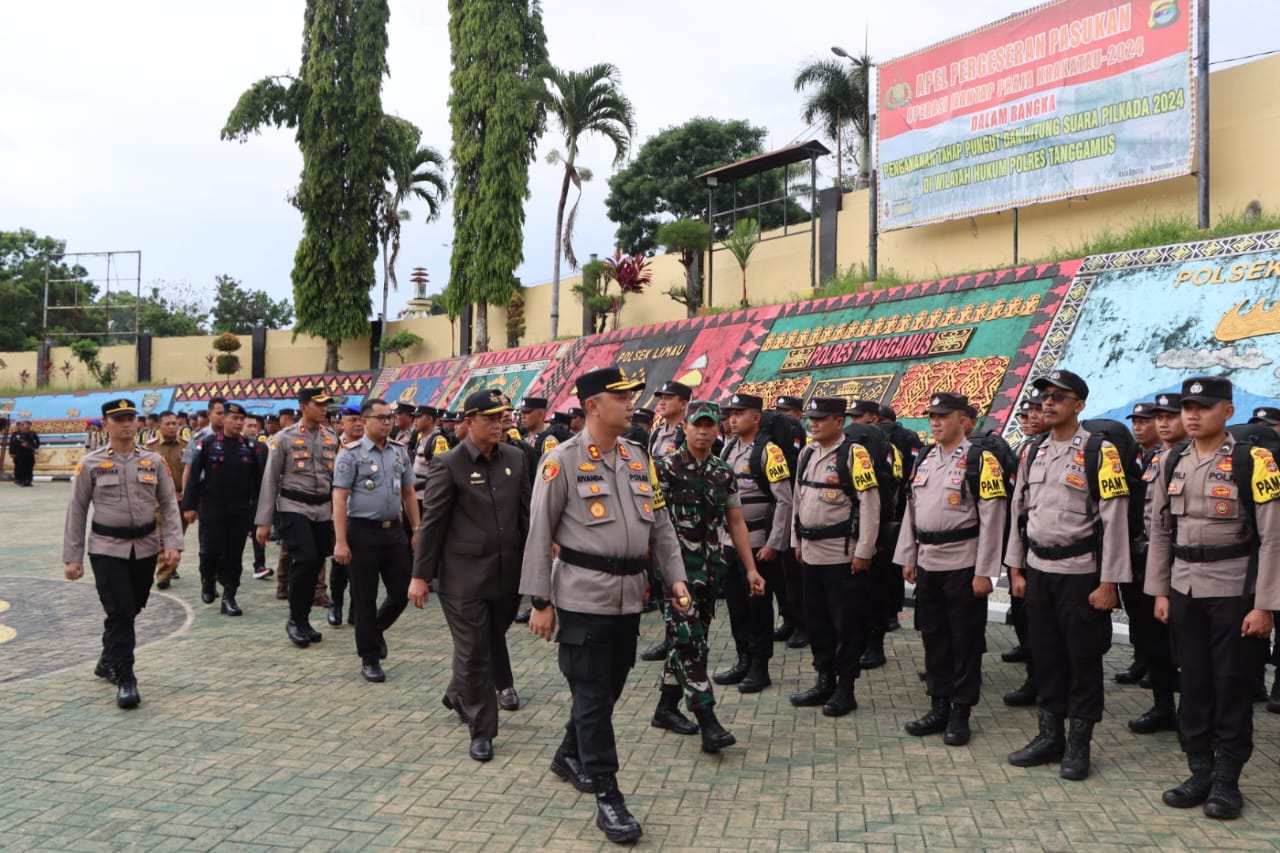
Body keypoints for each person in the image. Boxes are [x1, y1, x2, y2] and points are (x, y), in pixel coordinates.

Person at [521, 367, 691, 845]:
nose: (631, 404)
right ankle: (608, 796)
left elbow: (660, 526)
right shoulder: (562, 460)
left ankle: (567, 755)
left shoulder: (639, 457)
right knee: (593, 697)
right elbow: (538, 532)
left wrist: (675, 578)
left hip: (629, 600)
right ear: (593, 406)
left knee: (607, 691)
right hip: (580, 597)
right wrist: (540, 600)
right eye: (621, 397)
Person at [1146, 376, 1280, 820]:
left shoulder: (1254, 461)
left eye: (1203, 406)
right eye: (1188, 406)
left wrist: (1265, 605)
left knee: (1232, 686)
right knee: (1195, 685)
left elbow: (1274, 539)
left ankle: (1226, 783)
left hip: (1234, 592)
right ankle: (1198, 772)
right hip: (1184, 590)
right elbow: (1162, 531)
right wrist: (1160, 591)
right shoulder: (1172, 460)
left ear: (1227, 410)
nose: (1192, 414)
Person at [1004, 369, 1131, 781]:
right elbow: (1018, 514)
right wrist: (1015, 568)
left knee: (1082, 661)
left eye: (1059, 396)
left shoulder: (1100, 452)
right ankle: (1049, 737)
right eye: (1043, 396)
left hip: (1081, 576)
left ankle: (1078, 745)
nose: (1048, 403)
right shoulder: (1032, 450)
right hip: (1039, 573)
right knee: (1045, 656)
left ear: (1079, 404)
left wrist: (1109, 582)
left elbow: (1115, 521)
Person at [410, 389, 530, 758]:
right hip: (463, 579)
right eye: (491, 418)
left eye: (503, 416)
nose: (500, 423)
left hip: (507, 577)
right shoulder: (449, 463)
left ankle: (455, 692)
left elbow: (525, 516)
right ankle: (482, 731)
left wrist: (539, 567)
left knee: (485, 644)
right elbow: (432, 524)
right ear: (469, 421)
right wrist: (419, 576)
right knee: (477, 653)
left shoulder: (516, 458)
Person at [651, 399, 765, 752]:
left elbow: (735, 522)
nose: (703, 431)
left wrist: (750, 569)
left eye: (710, 425)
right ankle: (708, 720)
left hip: (709, 571)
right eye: (697, 424)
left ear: (719, 430)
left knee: (685, 639)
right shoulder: (665, 469)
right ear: (684, 427)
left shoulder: (723, 472)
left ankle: (666, 708)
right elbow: (653, 524)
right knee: (690, 643)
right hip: (674, 572)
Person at [894, 393, 1007, 746]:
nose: (936, 422)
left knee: (965, 641)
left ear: (963, 420)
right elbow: (912, 511)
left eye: (944, 416)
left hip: (963, 563)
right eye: (932, 416)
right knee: (934, 637)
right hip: (928, 562)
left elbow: (993, 517)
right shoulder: (926, 457)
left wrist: (985, 572)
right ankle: (938, 705)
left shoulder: (980, 459)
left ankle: (961, 712)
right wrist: (908, 557)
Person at [63, 398, 183, 708]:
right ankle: (126, 677)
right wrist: (72, 557)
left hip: (144, 546)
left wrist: (173, 543)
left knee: (132, 607)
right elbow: (76, 510)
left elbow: (169, 503)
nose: (127, 423)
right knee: (121, 612)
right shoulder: (90, 463)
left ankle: (107, 659)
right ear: (106, 424)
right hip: (106, 548)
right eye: (119, 419)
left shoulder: (153, 461)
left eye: (131, 417)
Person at [790, 396, 881, 717]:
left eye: (821, 418)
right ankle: (824, 679)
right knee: (817, 622)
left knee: (847, 625)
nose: (813, 423)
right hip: (811, 554)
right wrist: (796, 541)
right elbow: (798, 501)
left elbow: (870, 505)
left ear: (839, 422)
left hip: (842, 557)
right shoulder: (806, 453)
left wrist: (864, 550)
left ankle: (845, 688)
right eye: (811, 418)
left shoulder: (855, 455)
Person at [332, 398, 419, 682]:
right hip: (362, 532)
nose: (387, 422)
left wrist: (417, 529)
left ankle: (376, 629)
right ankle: (369, 658)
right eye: (381, 417)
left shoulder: (399, 452)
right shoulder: (350, 454)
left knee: (402, 590)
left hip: (393, 531)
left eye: (389, 417)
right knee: (365, 597)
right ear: (365, 421)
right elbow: (340, 498)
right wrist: (341, 541)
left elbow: (408, 492)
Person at [714, 392, 793, 694]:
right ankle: (742, 660)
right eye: (731, 413)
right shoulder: (730, 449)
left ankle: (760, 667)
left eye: (740, 413)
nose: (732, 419)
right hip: (730, 543)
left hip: (759, 542)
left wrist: (775, 543)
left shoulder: (769, 451)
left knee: (758, 607)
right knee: (736, 606)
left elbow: (784, 501)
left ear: (756, 417)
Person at [255, 386, 339, 648]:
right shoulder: (284, 438)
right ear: (303, 406)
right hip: (294, 506)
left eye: (326, 404)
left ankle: (304, 620)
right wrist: (264, 521)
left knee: (315, 563)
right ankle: (295, 620)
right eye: (319, 403)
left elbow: (336, 480)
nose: (324, 408)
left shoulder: (331, 437)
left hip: (323, 510)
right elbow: (270, 479)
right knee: (305, 559)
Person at [181, 402, 261, 615]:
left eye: (241, 419)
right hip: (212, 507)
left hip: (240, 509)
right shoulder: (206, 444)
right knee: (210, 551)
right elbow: (194, 478)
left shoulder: (252, 448)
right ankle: (207, 580)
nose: (238, 423)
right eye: (233, 418)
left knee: (234, 554)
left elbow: (258, 483)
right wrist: (189, 506)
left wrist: (261, 514)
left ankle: (229, 596)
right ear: (222, 419)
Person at [1003, 389, 1045, 707]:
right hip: (1022, 540)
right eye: (1025, 412)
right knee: (1025, 613)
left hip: (1055, 551)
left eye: (1035, 411)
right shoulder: (1024, 449)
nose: (1029, 418)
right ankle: (1035, 674)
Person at [1115, 401, 1161, 687]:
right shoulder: (1134, 457)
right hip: (1131, 546)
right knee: (1135, 608)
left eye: (1145, 421)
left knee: (1152, 611)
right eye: (1135, 422)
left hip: (1154, 548)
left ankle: (1157, 667)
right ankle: (1140, 660)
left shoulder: (1167, 457)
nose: (1138, 427)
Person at [327, 405, 364, 626]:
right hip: (340, 512)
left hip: (361, 514)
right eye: (353, 420)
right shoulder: (332, 446)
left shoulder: (369, 447)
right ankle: (336, 604)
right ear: (342, 424)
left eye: (361, 420)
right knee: (339, 563)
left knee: (359, 566)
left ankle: (355, 608)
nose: (358, 424)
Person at [146, 411, 188, 590]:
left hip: (182, 497)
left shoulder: (186, 445)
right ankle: (163, 574)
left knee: (177, 536)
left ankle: (171, 565)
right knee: (163, 537)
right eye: (168, 424)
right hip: (159, 499)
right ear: (159, 427)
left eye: (174, 423)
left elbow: (191, 472)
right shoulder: (150, 448)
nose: (172, 427)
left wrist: (186, 492)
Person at [650, 380, 691, 458]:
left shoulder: (690, 433)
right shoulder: (656, 432)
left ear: (683, 404)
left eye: (668, 398)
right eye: (661, 398)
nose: (662, 403)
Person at [8, 420, 40, 486]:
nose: (26, 426)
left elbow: (37, 442)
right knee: (21, 467)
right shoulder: (17, 434)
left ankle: (29, 481)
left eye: (28, 425)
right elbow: (13, 444)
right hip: (20, 453)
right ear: (23, 426)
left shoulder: (32, 433)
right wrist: (13, 451)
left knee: (29, 467)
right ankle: (22, 481)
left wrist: (35, 448)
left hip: (30, 453)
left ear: (30, 426)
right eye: (25, 425)